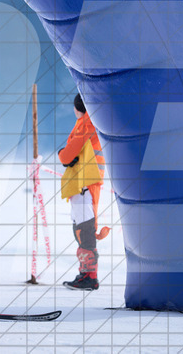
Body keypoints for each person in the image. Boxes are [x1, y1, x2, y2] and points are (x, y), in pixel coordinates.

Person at [58, 93, 109, 291]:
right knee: (82, 227)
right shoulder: (93, 121)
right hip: (85, 183)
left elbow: (67, 155)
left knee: (84, 228)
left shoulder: (87, 123)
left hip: (84, 184)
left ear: (78, 107)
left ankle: (89, 276)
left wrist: (62, 154)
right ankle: (86, 274)